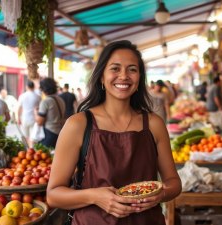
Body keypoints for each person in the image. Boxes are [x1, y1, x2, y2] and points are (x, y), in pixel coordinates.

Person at [46, 40, 181, 225]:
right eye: (115, 68)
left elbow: (174, 182)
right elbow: (53, 195)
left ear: (140, 77)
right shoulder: (78, 125)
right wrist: (95, 196)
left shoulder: (153, 124)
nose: (124, 76)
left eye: (132, 69)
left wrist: (161, 195)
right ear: (101, 76)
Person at [35, 78, 66, 148]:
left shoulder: (46, 101)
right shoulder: (61, 100)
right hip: (59, 133)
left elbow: (40, 122)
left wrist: (35, 112)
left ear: (43, 89)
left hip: (49, 134)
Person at [17, 81, 41, 148]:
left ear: (26, 87)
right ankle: (32, 150)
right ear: (33, 87)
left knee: (25, 136)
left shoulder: (22, 96)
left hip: (24, 118)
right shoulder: (38, 97)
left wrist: (18, 118)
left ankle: (26, 150)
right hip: (34, 119)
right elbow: (39, 108)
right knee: (33, 137)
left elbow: (19, 108)